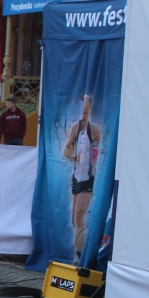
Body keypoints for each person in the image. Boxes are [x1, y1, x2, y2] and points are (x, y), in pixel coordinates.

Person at [63, 95, 101, 260]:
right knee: (74, 219)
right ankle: (80, 250)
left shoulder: (95, 130)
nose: (83, 116)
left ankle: (80, 256)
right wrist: (74, 156)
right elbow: (65, 149)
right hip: (76, 176)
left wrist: (95, 160)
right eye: (82, 113)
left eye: (86, 113)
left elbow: (104, 151)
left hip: (88, 177)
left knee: (79, 216)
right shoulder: (75, 127)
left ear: (90, 112)